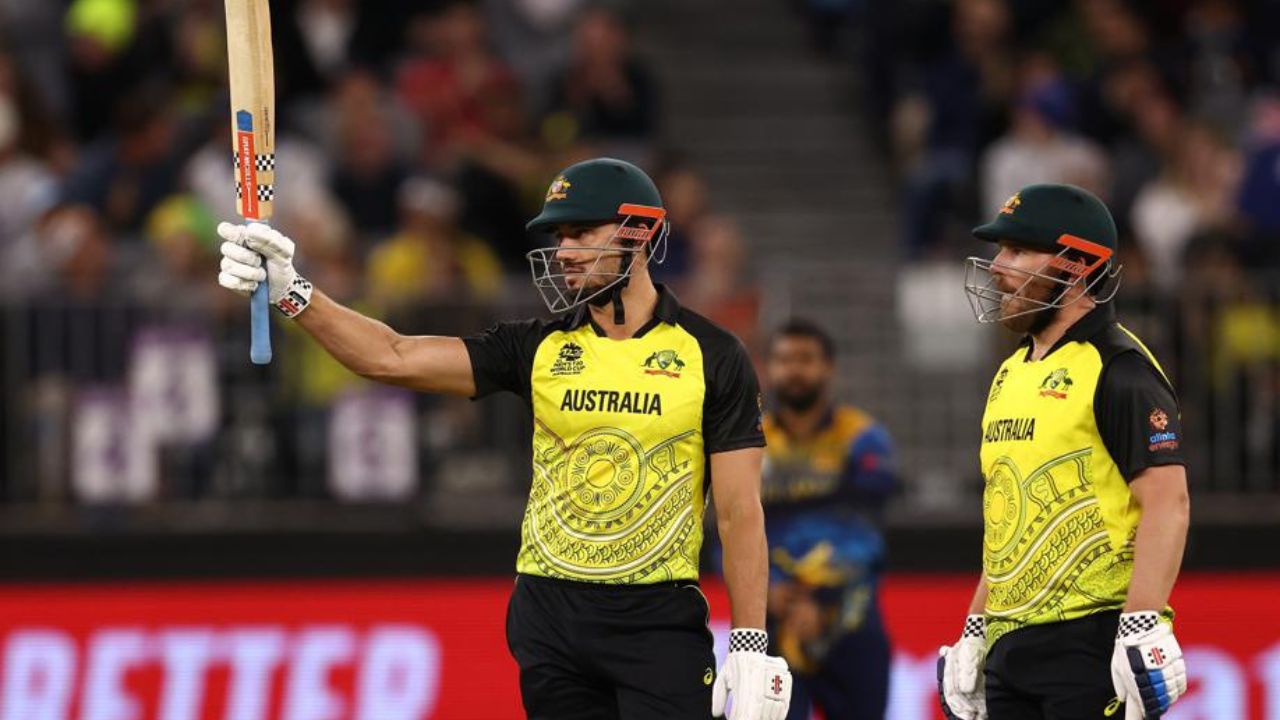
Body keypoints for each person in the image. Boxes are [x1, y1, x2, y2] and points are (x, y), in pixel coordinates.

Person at [215, 157, 792, 720]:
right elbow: (391, 356)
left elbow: (740, 512)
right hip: (549, 613)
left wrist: (748, 643)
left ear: (639, 232)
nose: (563, 251)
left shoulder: (713, 356)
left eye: (581, 232)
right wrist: (293, 292)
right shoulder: (536, 347)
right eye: (559, 236)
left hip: (657, 618)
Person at [938, 183, 1190, 720]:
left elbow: (1168, 502)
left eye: (1018, 251)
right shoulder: (1010, 373)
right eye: (1000, 250)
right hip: (1011, 645)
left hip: (1091, 641)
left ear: (1075, 266)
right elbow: (1007, 515)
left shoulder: (1120, 368)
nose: (997, 266)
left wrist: (1142, 622)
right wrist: (976, 626)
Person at [760, 319, 896, 720]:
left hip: (851, 617)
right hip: (775, 620)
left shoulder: (862, 437)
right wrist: (767, 589)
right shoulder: (751, 440)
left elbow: (870, 530)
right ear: (769, 367)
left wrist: (818, 597)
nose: (794, 370)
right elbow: (726, 529)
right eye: (784, 359)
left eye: (806, 359)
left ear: (828, 368)